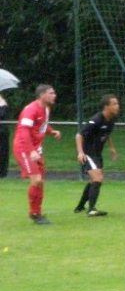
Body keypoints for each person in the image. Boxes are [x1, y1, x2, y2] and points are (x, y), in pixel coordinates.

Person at [13, 84, 62, 224]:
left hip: (35, 149)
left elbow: (41, 125)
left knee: (40, 182)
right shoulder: (31, 110)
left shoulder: (46, 109)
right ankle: (34, 213)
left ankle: (37, 213)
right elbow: (24, 131)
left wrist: (52, 132)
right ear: (42, 95)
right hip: (24, 148)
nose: (54, 95)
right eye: (51, 93)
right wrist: (31, 151)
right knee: (37, 180)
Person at [74, 94, 121, 216]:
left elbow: (107, 133)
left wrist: (111, 148)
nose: (117, 106)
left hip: (97, 154)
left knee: (94, 180)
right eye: (114, 104)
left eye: (117, 104)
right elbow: (79, 135)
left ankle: (80, 206)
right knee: (98, 178)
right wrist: (80, 153)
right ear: (106, 107)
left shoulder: (111, 119)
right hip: (88, 153)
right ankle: (91, 209)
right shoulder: (96, 120)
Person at [0, 92, 9, 178]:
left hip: (2, 131)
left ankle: (2, 172)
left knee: (2, 151)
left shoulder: (3, 104)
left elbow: (2, 115)